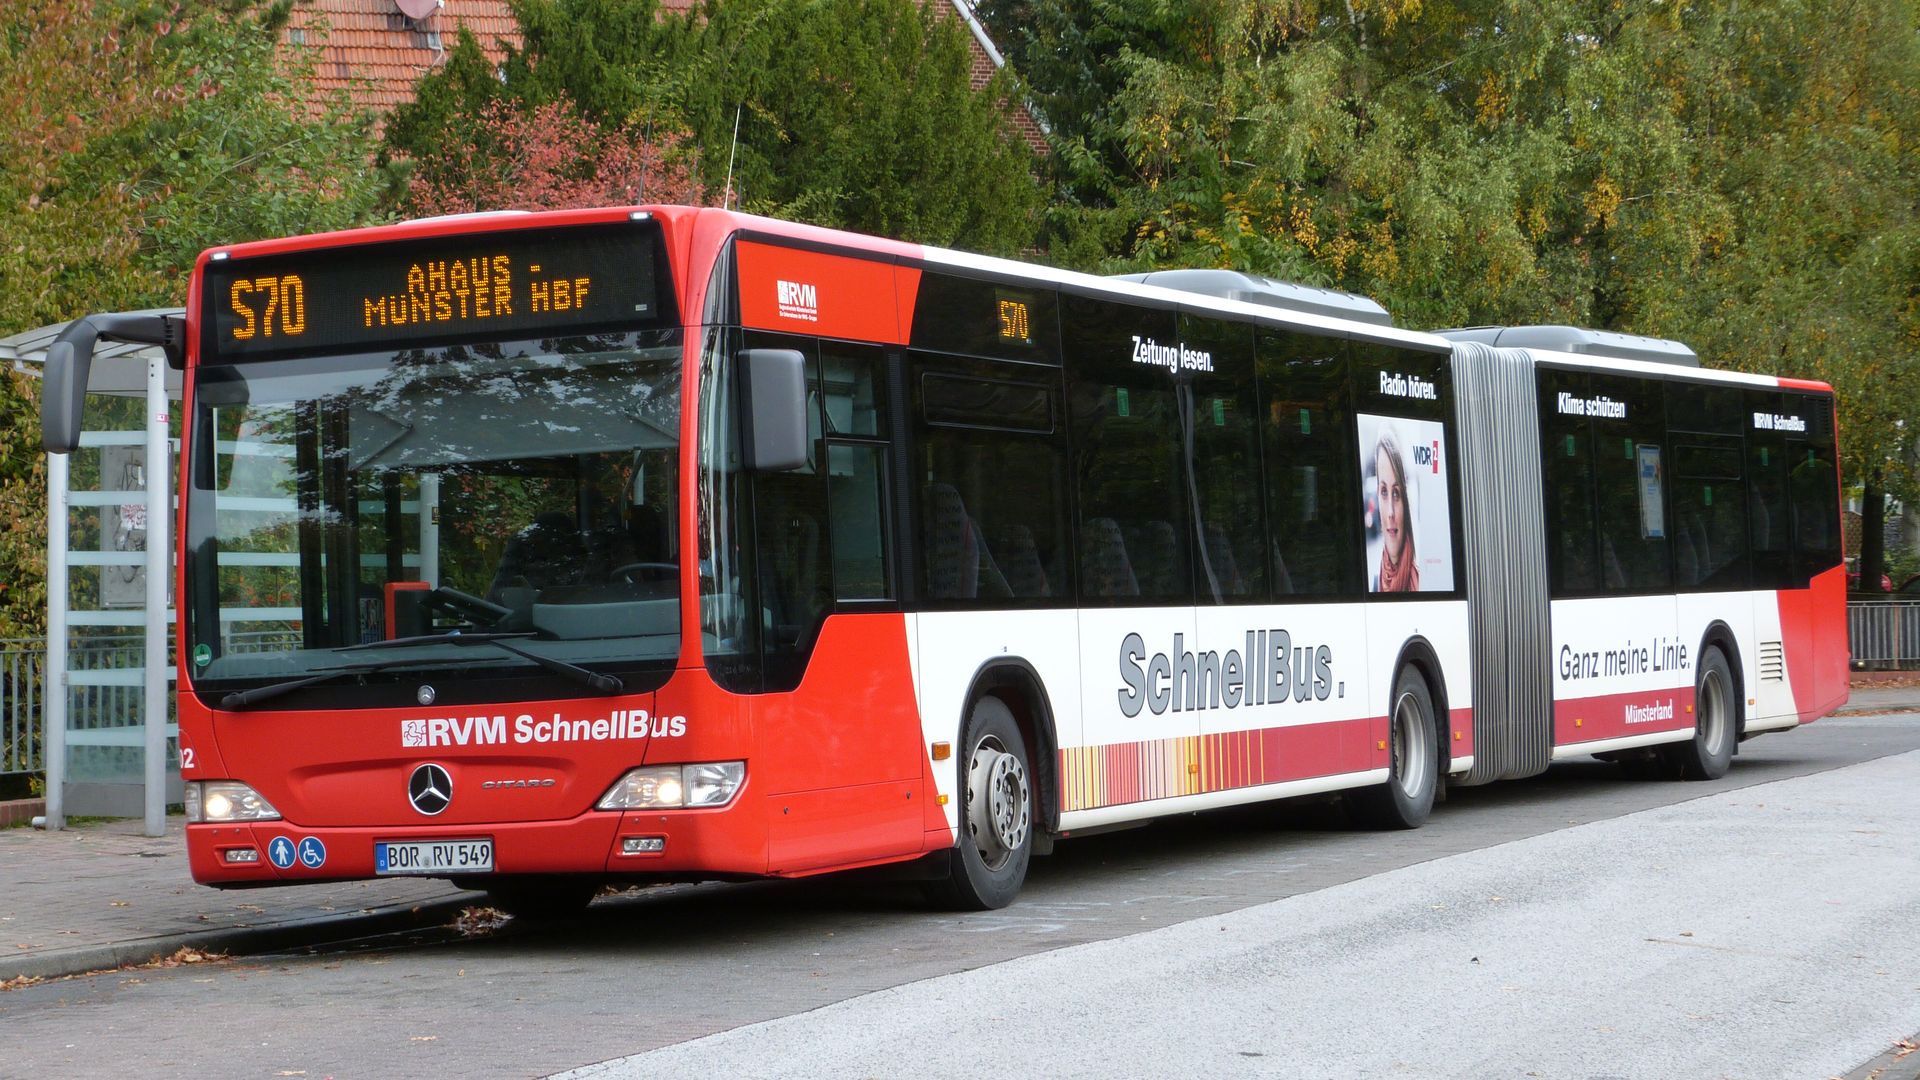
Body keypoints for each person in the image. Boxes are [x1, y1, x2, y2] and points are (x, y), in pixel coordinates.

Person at [1371, 429, 1419, 592]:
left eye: (1397, 493)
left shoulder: (1420, 582)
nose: (1390, 512)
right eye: (1384, 492)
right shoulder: (1376, 582)